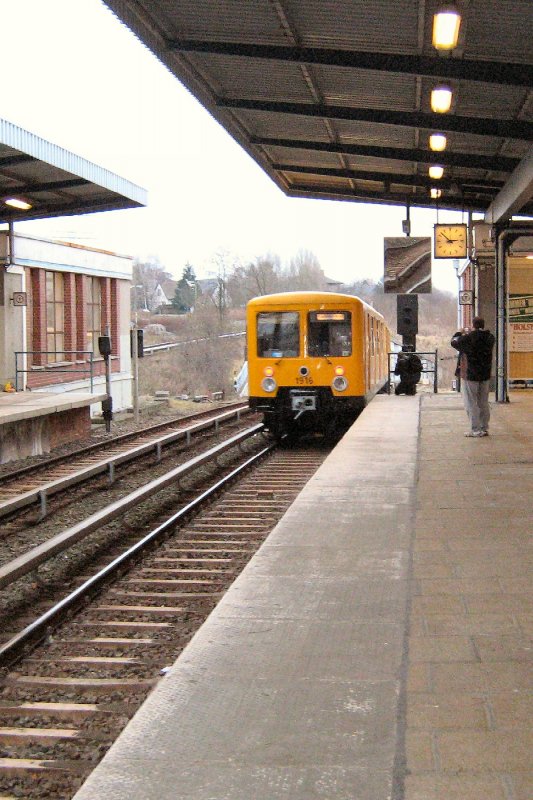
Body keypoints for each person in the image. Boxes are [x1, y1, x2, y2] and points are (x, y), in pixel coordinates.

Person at [451, 317, 495, 437]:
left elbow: (454, 342)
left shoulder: (468, 338)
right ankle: (484, 427)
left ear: (473, 325)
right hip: (485, 374)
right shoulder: (490, 338)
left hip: (470, 374)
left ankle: (475, 429)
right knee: (483, 402)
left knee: (471, 402)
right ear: (483, 325)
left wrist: (460, 332)